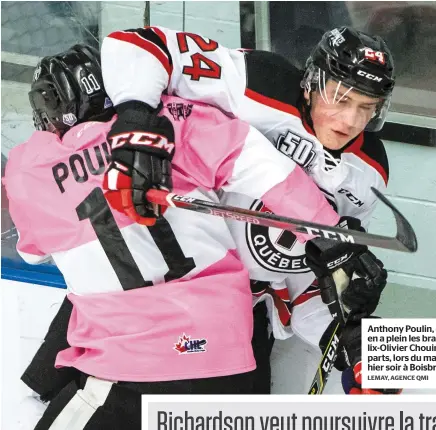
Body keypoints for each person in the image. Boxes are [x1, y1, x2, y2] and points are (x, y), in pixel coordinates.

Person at [4, 44, 345, 429]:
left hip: (131, 369)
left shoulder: (27, 172)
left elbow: (32, 252)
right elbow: (272, 172)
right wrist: (332, 237)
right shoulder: (179, 118)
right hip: (230, 354)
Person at [99, 25, 397, 394]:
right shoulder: (257, 81)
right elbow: (136, 44)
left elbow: (310, 279)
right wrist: (135, 121)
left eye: (366, 108)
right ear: (312, 81)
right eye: (340, 97)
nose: (351, 121)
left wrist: (359, 340)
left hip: (241, 315)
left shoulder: (369, 172)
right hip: (155, 287)